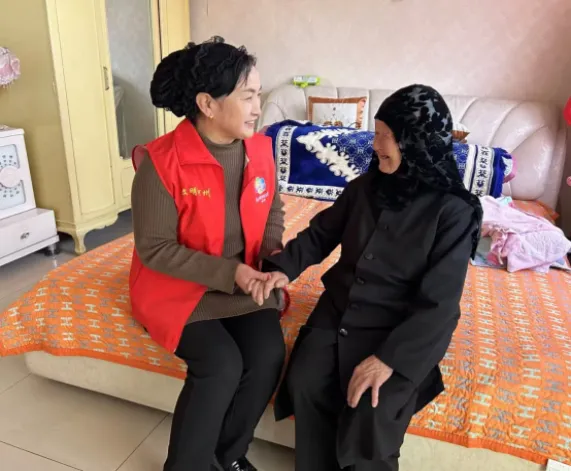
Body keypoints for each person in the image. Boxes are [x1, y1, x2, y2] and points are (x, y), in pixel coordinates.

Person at [253, 85, 483, 471]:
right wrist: (282, 268)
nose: (374, 145)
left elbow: (440, 304)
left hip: (400, 328)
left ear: (413, 141)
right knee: (307, 380)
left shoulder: (454, 212)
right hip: (340, 312)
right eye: (375, 133)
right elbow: (321, 234)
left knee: (371, 410)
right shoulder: (365, 187)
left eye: (384, 135)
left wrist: (389, 359)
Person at [129, 37, 287, 471]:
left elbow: (272, 211)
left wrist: (271, 264)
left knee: (267, 356)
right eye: (248, 96)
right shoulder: (161, 163)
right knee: (220, 365)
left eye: (259, 95)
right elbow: (155, 249)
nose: (258, 108)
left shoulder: (260, 149)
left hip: (242, 279)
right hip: (177, 287)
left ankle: (227, 456)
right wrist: (231, 272)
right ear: (208, 104)